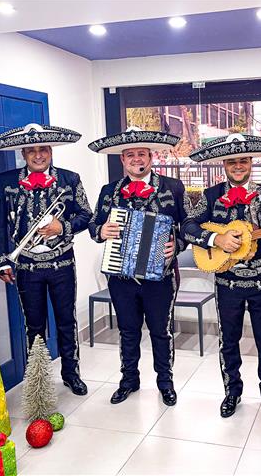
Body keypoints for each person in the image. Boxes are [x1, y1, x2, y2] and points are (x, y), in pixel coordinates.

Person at [181, 133, 261, 423]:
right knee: (228, 340)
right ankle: (232, 392)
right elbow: (187, 226)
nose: (238, 166)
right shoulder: (210, 195)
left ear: (251, 161)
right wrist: (216, 238)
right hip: (227, 283)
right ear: (224, 164)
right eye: (232, 161)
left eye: (243, 160)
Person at [87, 127, 188, 407]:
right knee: (128, 330)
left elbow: (189, 226)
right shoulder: (109, 192)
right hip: (121, 276)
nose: (136, 159)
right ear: (122, 159)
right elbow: (93, 225)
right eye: (130, 155)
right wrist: (101, 231)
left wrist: (177, 245)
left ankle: (165, 382)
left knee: (160, 330)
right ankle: (129, 379)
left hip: (161, 276)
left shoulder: (173, 187)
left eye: (141, 153)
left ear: (151, 156)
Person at [0, 123, 92, 396]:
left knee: (66, 321)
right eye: (32, 150)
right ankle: (38, 379)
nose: (38, 155)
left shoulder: (70, 179)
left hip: (62, 264)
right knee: (33, 324)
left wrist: (63, 227)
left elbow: (86, 215)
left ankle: (71, 373)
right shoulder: (6, 181)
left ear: (50, 150)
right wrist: (2, 260)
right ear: (23, 153)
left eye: (43, 149)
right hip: (26, 265)